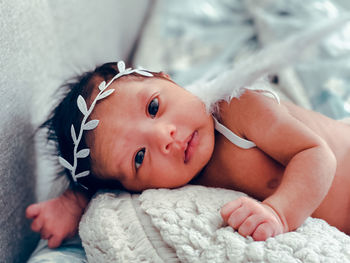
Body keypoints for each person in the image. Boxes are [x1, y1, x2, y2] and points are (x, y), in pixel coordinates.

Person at [26, 60, 350, 250]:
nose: (164, 138)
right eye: (139, 157)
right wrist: (73, 201)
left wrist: (280, 214)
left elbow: (315, 154)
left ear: (167, 79)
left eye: (153, 107)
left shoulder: (237, 108)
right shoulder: (171, 184)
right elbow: (106, 186)